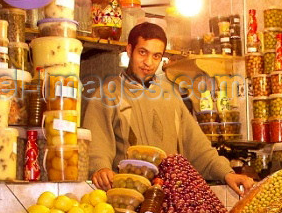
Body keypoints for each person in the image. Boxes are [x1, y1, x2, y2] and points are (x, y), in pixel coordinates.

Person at [83, 22, 254, 196]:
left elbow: (197, 146)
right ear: (129, 50)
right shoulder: (105, 95)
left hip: (170, 200)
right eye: (143, 52)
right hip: (126, 199)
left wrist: (227, 173)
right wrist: (101, 169)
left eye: (156, 56)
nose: (148, 62)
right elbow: (96, 148)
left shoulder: (171, 96)